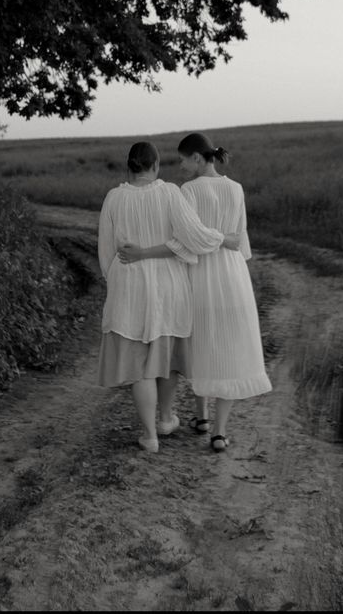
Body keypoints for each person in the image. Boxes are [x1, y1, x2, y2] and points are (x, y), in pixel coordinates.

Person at [118, 133, 272, 452]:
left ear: (199, 159)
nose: (181, 166)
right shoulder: (236, 189)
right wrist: (231, 259)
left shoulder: (187, 191)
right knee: (227, 350)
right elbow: (240, 244)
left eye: (184, 160)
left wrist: (144, 253)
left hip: (199, 275)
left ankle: (200, 415)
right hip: (233, 275)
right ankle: (218, 431)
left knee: (201, 347)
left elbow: (182, 243)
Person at [97, 141, 241, 454]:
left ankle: (150, 436)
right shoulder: (169, 193)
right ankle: (165, 418)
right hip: (168, 287)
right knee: (166, 360)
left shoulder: (113, 197)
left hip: (128, 284)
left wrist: (115, 282)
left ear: (130, 166)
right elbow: (194, 236)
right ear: (156, 165)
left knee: (138, 366)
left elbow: (106, 252)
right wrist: (224, 238)